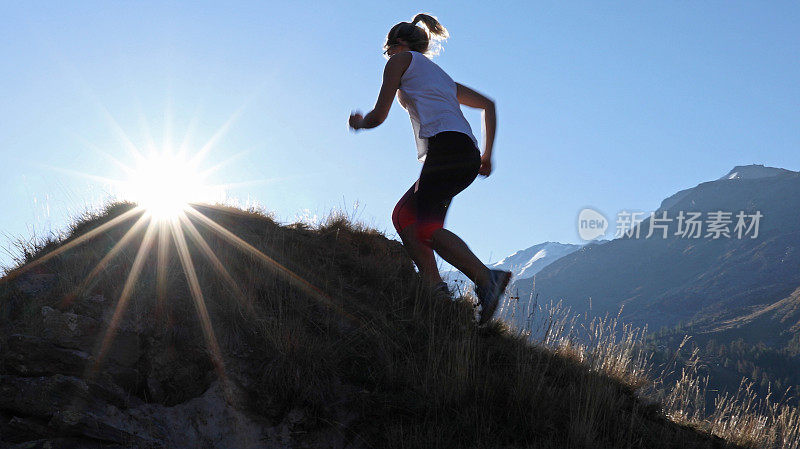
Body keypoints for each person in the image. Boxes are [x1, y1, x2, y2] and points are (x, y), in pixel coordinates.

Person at [348, 13, 511, 325]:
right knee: (405, 216)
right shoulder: (441, 77)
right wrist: (487, 156)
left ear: (398, 44)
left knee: (423, 226)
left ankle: (487, 278)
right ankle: (434, 290)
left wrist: (359, 122)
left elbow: (379, 115)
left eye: (388, 50)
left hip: (446, 148)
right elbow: (489, 104)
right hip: (464, 153)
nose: (388, 56)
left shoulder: (400, 61)